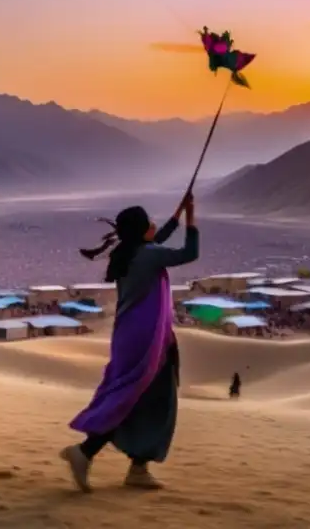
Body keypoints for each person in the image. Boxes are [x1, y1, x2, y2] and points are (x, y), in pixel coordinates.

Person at [62, 192, 199, 492]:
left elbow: (156, 238)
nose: (154, 223)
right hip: (148, 340)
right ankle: (86, 452)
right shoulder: (148, 255)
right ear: (141, 230)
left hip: (134, 337)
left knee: (137, 397)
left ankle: (136, 467)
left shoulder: (130, 251)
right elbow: (190, 253)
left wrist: (177, 214)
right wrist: (191, 217)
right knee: (143, 399)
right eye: (149, 220)